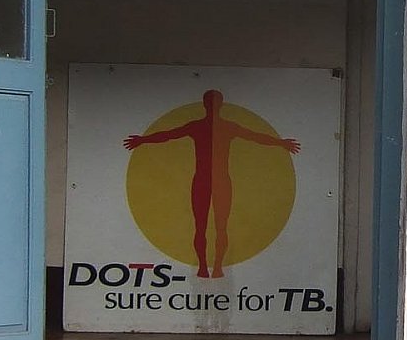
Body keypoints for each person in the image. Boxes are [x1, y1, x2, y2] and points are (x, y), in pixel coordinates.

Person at [124, 89, 300, 279]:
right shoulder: (207, 126)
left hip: (217, 181)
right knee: (204, 226)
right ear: (210, 105)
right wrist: (143, 140)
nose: (213, 105)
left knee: (218, 226)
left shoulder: (219, 127)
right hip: (206, 181)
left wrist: (281, 143)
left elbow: (255, 136)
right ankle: (204, 267)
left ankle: (215, 267)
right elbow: (169, 134)